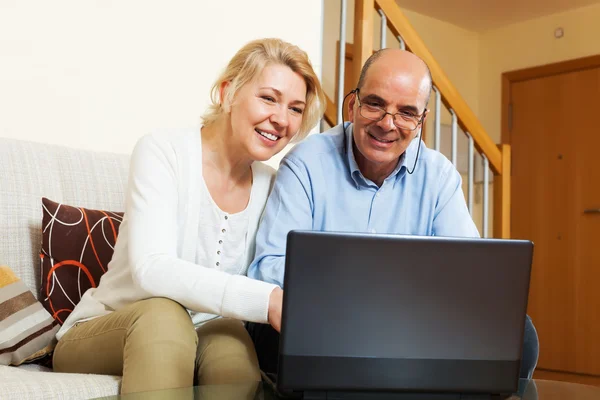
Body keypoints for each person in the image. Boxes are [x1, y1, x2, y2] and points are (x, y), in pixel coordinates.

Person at [52, 38, 325, 394]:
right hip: (111, 326)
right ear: (228, 93)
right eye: (269, 98)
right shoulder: (163, 151)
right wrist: (267, 299)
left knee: (234, 347)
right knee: (164, 319)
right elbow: (152, 270)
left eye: (295, 108)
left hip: (207, 329)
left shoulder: (275, 185)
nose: (281, 118)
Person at [247, 48, 539, 379]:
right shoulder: (306, 163)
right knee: (270, 334)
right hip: (327, 320)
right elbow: (268, 268)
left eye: (406, 113)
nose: (387, 124)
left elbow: (467, 276)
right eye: (375, 104)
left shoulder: (439, 176)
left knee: (521, 335)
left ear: (421, 121)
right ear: (353, 104)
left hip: (412, 324)